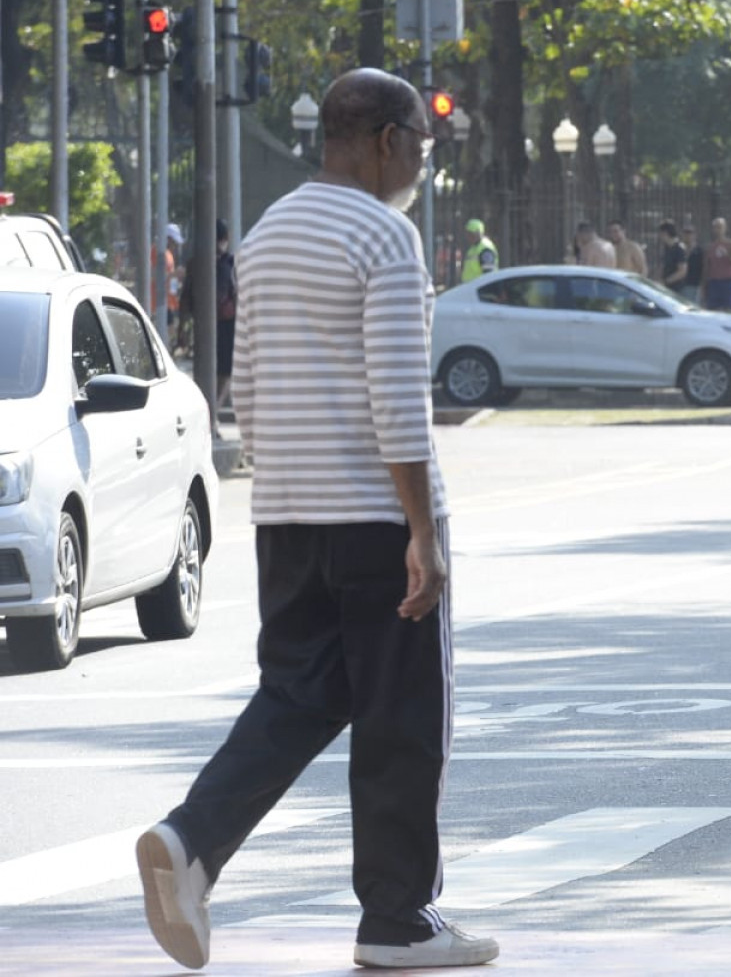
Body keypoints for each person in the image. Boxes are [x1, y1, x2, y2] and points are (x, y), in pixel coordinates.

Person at [135, 68, 497, 972]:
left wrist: (291, 485)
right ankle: (398, 920)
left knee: (300, 694)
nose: (422, 159)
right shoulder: (384, 234)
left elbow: (246, 390)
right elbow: (397, 401)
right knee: (402, 718)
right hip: (378, 517)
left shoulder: (265, 235)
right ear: (385, 141)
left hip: (288, 517)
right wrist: (421, 529)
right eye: (420, 142)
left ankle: (191, 841)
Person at [179, 219, 239, 408]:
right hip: (227, 325)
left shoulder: (194, 263)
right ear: (225, 239)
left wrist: (183, 329)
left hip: (202, 324)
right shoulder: (230, 263)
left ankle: (209, 410)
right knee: (225, 372)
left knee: (205, 371)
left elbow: (185, 298)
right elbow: (236, 295)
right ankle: (212, 412)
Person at [701, 216, 731, 312]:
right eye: (716, 227)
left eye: (720, 227)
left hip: (728, 282)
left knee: (730, 310)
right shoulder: (710, 247)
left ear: (725, 228)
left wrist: (728, 256)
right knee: (713, 310)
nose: (718, 230)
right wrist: (704, 286)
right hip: (714, 283)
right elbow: (706, 267)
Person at [658, 221, 690, 297]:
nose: (659, 236)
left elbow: (682, 271)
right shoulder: (667, 248)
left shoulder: (679, 248)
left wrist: (666, 281)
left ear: (665, 233)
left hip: (677, 289)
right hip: (666, 289)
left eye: (660, 233)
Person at [460, 218, 498, 282]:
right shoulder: (473, 248)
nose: (468, 236)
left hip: (480, 288)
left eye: (470, 234)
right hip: (471, 287)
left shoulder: (485, 248)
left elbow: (489, 273)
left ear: (478, 233)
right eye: (467, 234)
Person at [681, 217, 705, 303]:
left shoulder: (699, 251)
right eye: (686, 233)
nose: (688, 235)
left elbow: (703, 269)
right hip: (680, 285)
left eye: (690, 233)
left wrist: (702, 286)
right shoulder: (679, 250)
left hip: (694, 285)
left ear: (695, 235)